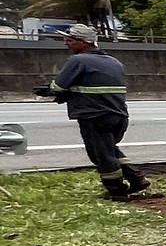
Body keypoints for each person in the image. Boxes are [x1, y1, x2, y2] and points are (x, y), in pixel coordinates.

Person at [36, 24, 154, 201]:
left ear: (83, 42)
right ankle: (136, 178)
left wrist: (48, 91)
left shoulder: (78, 61)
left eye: (69, 40)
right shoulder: (114, 62)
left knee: (101, 155)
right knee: (109, 149)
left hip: (94, 116)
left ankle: (117, 190)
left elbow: (59, 86)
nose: (66, 44)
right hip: (119, 116)